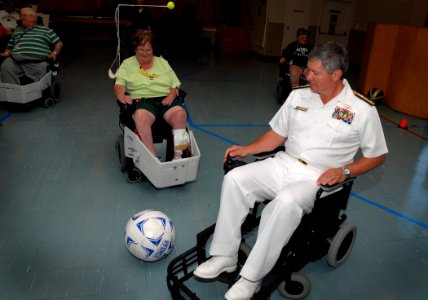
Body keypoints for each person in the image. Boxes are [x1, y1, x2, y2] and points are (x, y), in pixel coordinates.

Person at [193, 41, 388, 300]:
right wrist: (247, 149)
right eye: (308, 69)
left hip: (320, 178)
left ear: (336, 75)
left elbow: (377, 155)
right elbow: (277, 135)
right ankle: (225, 256)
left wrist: (345, 171)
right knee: (235, 179)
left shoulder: (361, 109)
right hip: (284, 162)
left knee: (284, 203)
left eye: (315, 72)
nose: (307, 75)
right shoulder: (299, 95)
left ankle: (252, 278)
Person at [114, 29, 189, 160]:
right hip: (143, 101)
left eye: (148, 50)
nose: (145, 53)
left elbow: (175, 84)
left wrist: (171, 96)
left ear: (153, 49)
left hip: (166, 99)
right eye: (141, 49)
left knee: (180, 115)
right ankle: (152, 157)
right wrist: (121, 95)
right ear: (135, 49)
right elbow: (119, 85)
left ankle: (178, 155)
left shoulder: (162, 63)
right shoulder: (127, 64)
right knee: (141, 117)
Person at [0, 7, 62, 84]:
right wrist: (6, 53)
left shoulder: (46, 30)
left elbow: (58, 43)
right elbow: (9, 47)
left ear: (32, 17)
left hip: (37, 62)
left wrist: (54, 53)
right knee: (6, 66)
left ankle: (36, 93)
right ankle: (12, 92)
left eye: (23, 15)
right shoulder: (17, 31)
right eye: (20, 16)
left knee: (43, 69)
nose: (21, 18)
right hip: (16, 61)